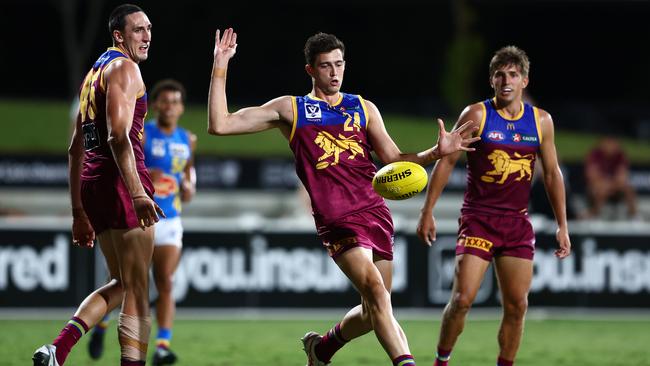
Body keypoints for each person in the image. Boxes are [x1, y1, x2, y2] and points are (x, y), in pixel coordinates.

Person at [207, 29, 479, 366]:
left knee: (374, 310)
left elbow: (394, 159)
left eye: (339, 64)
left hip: (375, 213)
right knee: (378, 295)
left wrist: (437, 152)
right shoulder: (292, 110)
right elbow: (220, 124)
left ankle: (321, 350)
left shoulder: (363, 108)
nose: (334, 73)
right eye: (325, 66)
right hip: (337, 220)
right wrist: (221, 66)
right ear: (310, 70)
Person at [416, 46, 571, 366]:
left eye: (513, 74)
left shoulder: (541, 121)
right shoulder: (477, 115)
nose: (506, 80)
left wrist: (562, 225)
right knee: (461, 300)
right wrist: (427, 210)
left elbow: (553, 174)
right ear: (491, 79)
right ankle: (441, 362)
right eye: (500, 74)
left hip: (517, 223)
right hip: (479, 219)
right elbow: (447, 162)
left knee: (517, 306)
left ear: (524, 80)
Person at [33, 4, 163, 366]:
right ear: (118, 35)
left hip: (94, 184)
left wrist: (79, 212)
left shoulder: (94, 74)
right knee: (138, 289)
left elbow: (75, 149)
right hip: (122, 182)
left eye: (149, 28)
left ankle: (57, 349)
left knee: (121, 282)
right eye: (138, 29)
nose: (147, 35)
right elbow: (118, 136)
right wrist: (137, 192)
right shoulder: (125, 68)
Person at [87, 79, 196, 365]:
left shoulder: (188, 139)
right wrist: (151, 177)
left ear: (182, 107)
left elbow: (189, 175)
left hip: (171, 219)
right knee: (129, 283)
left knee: (166, 282)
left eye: (175, 102)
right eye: (165, 101)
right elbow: (126, 163)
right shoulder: (144, 135)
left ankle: (162, 346)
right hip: (141, 219)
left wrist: (188, 187)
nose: (170, 107)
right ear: (156, 104)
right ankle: (101, 325)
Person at [582, 136, 638, 219]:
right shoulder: (594, 155)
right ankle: (594, 214)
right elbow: (592, 177)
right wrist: (606, 184)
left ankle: (633, 216)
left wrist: (610, 185)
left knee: (629, 189)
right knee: (600, 190)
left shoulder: (620, 156)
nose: (613, 145)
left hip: (614, 187)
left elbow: (622, 177)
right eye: (610, 142)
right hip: (598, 186)